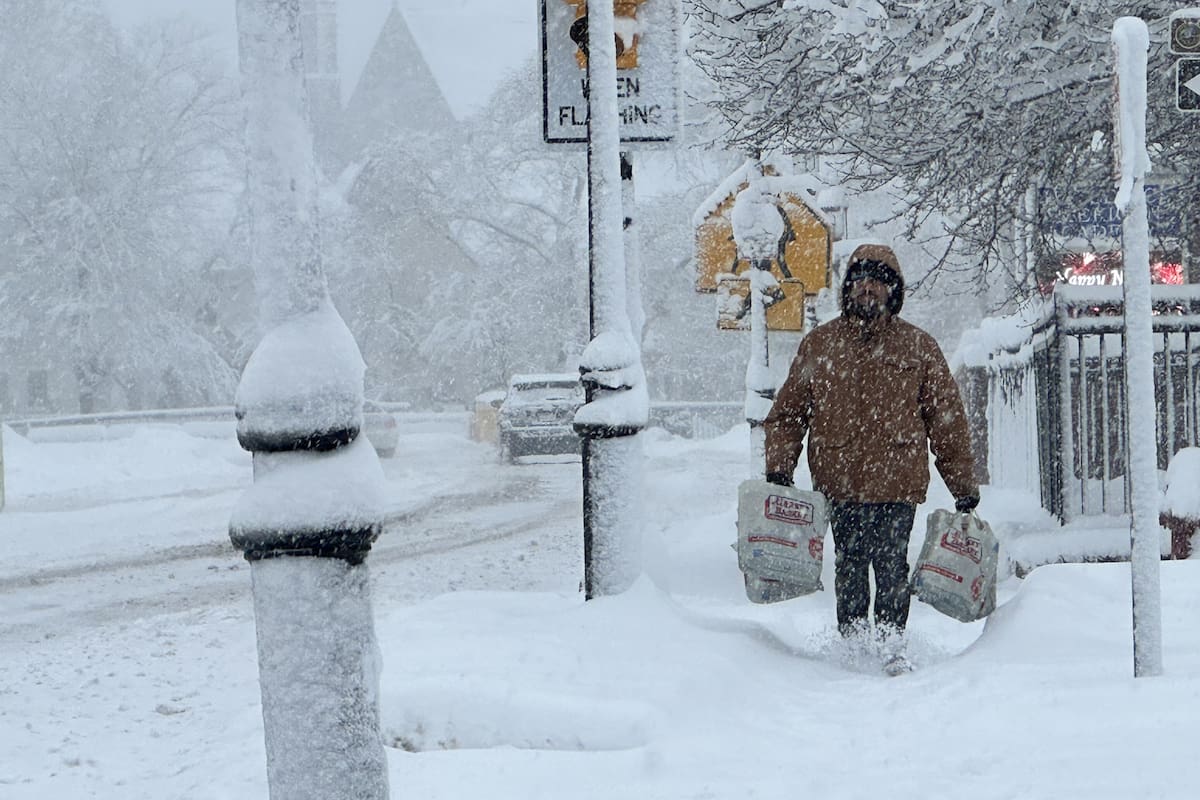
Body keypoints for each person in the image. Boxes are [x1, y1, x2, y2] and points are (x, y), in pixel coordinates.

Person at [763, 243, 979, 670]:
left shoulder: (918, 347)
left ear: (892, 290)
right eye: (860, 280)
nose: (868, 288)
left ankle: (891, 644)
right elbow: (788, 413)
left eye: (878, 281)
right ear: (848, 287)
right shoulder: (820, 345)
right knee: (849, 566)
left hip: (897, 482)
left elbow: (947, 422)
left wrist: (963, 486)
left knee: (892, 566)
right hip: (839, 480)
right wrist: (779, 467)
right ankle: (854, 646)